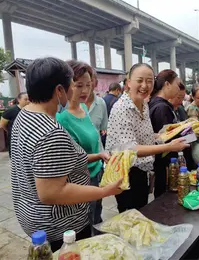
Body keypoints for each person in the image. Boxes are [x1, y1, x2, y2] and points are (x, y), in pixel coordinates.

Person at [10, 57, 122, 252]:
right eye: (72, 84)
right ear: (59, 90)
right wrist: (105, 191)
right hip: (60, 227)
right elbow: (52, 192)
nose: (75, 90)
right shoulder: (51, 132)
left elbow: (54, 163)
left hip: (33, 215)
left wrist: (96, 156)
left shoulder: (25, 114)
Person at [106, 63, 189, 212]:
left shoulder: (143, 105)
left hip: (141, 171)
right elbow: (131, 148)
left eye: (149, 81)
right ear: (129, 82)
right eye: (140, 80)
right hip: (125, 174)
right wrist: (169, 146)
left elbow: (144, 136)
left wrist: (166, 134)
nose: (145, 85)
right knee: (130, 219)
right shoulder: (122, 108)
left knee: (141, 213)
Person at [56, 60, 109, 236]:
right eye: (79, 85)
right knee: (86, 225)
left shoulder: (84, 109)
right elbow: (73, 158)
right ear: (66, 86)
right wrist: (99, 155)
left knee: (96, 216)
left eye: (88, 85)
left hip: (97, 173)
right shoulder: (61, 119)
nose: (85, 91)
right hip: (81, 181)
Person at [149, 69, 181, 198]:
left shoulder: (157, 104)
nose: (178, 88)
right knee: (164, 196)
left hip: (160, 161)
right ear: (167, 84)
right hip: (165, 162)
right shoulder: (162, 108)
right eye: (177, 84)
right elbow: (166, 136)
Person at [0, 92, 30, 157]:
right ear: (19, 100)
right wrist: (10, 130)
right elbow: (3, 125)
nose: (28, 101)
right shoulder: (11, 111)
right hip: (15, 140)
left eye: (29, 99)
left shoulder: (30, 110)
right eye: (25, 99)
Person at [85, 73, 108, 142]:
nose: (85, 86)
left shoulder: (101, 103)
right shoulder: (70, 104)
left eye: (90, 80)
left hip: (97, 150)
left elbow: (103, 128)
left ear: (96, 83)